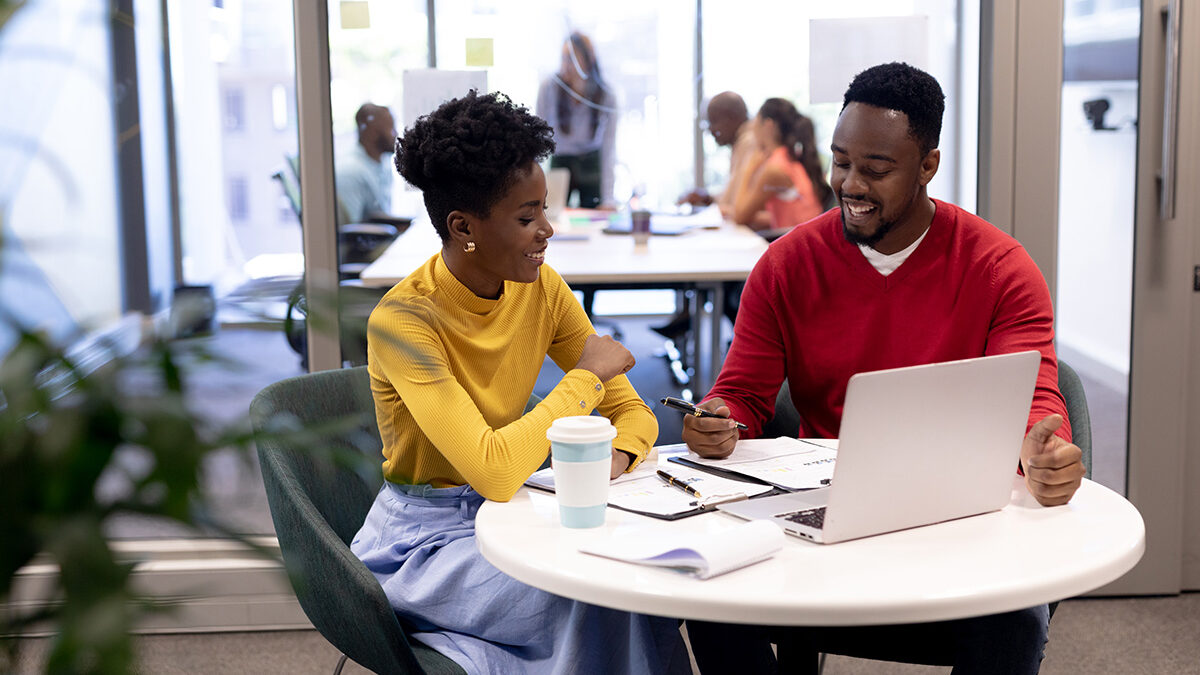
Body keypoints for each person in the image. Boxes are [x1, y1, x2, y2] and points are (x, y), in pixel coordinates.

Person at [681, 62, 1086, 674]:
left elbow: (1035, 401)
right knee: (701, 595)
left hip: (957, 517)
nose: (849, 184)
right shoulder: (785, 265)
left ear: (928, 166)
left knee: (1016, 621)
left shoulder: (1001, 268)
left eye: (875, 170)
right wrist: (719, 420)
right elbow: (741, 394)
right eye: (841, 162)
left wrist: (1043, 451)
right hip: (820, 512)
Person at [351, 90, 689, 674]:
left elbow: (637, 416)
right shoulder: (403, 322)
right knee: (595, 596)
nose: (547, 231)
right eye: (527, 217)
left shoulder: (542, 288)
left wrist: (612, 459)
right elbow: (496, 469)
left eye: (544, 211)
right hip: (425, 542)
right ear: (464, 227)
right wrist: (584, 379)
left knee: (638, 582)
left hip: (520, 510)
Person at [536, 31, 617, 208]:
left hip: (591, 164)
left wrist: (608, 197)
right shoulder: (549, 88)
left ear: (588, 60)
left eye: (571, 58)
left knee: (594, 217)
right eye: (563, 58)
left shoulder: (605, 95)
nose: (566, 65)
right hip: (561, 161)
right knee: (553, 215)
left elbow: (609, 148)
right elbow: (537, 139)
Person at [730, 97, 834, 233]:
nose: (752, 129)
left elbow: (739, 216)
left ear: (768, 125)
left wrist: (749, 168)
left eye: (755, 122)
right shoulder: (788, 158)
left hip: (800, 247)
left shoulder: (775, 169)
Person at [678, 91, 762, 219]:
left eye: (714, 121)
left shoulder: (750, 142)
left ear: (733, 117)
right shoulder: (742, 142)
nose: (710, 130)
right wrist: (707, 198)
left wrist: (709, 201)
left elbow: (734, 204)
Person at [335, 103, 397, 224]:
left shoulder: (382, 163)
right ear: (372, 133)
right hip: (367, 240)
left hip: (383, 234)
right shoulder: (350, 172)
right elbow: (351, 232)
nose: (396, 134)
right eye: (391, 129)